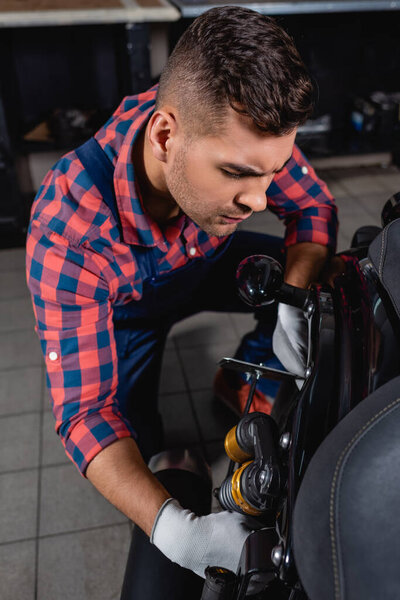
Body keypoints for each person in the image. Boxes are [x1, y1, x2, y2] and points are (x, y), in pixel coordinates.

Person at [26, 5, 337, 587]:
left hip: (208, 260)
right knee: (141, 454)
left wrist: (293, 301)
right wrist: (175, 529)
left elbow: (313, 207)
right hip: (126, 313)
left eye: (271, 173)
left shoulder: (232, 127)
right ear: (166, 135)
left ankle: (249, 375)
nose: (260, 198)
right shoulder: (68, 227)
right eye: (238, 173)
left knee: (331, 284)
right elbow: (86, 413)